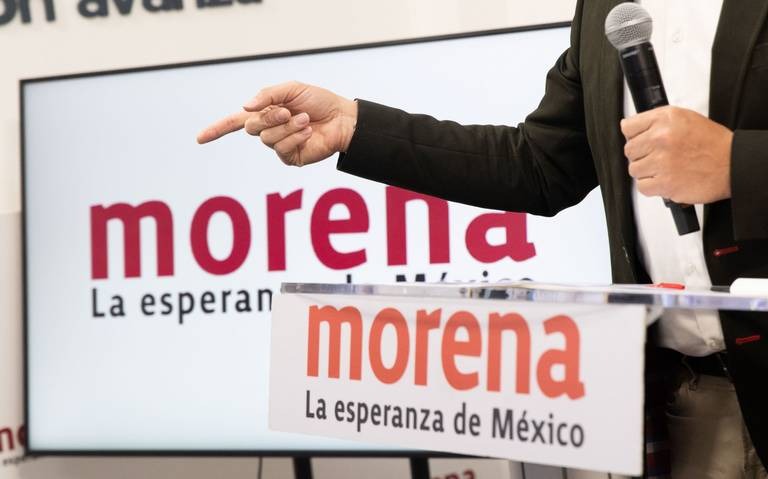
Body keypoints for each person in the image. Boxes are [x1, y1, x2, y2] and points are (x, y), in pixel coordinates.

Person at [197, 1, 768, 477]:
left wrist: (735, 164)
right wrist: (354, 127)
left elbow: (729, 160)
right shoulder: (605, 7)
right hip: (691, 402)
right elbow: (539, 165)